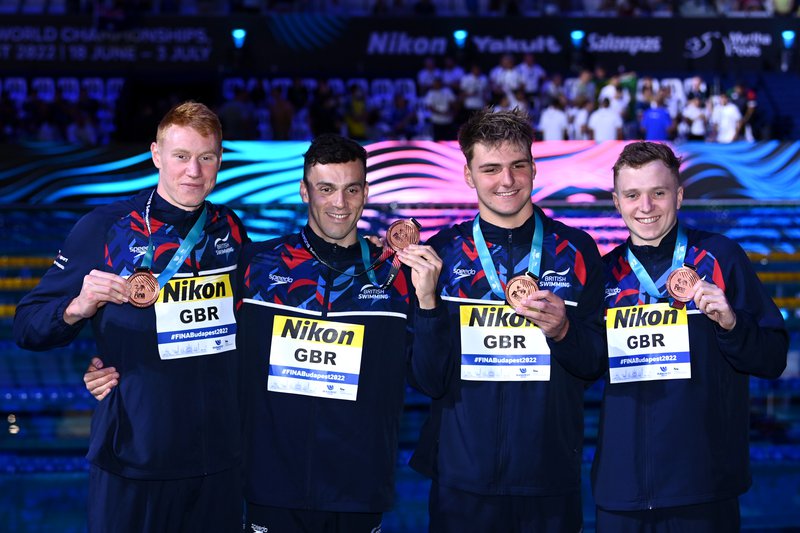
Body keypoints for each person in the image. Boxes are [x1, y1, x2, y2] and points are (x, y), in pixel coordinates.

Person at [87, 133, 450, 532]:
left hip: (358, 491)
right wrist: (114, 364)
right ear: (304, 191)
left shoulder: (395, 278)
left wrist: (429, 301)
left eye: (351, 189)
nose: (339, 204)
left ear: (366, 192)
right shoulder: (257, 266)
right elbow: (192, 330)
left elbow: (431, 379)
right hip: (270, 490)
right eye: (326, 189)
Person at [14, 101, 248, 532]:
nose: (193, 171)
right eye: (181, 156)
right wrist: (77, 308)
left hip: (218, 464)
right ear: (156, 155)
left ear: (220, 159)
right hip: (133, 461)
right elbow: (27, 326)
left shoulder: (230, 228)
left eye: (206, 157)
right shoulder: (107, 227)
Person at [409, 107, 606, 532]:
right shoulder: (442, 253)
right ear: (468, 175)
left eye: (518, 166)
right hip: (462, 480)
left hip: (548, 477)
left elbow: (594, 364)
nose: (507, 180)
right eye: (491, 168)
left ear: (534, 168)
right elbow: (427, 380)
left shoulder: (576, 250)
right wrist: (426, 305)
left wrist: (564, 331)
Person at [593, 141, 788, 532]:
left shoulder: (721, 257)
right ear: (617, 202)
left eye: (658, 193)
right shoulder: (604, 274)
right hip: (621, 489)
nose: (645, 207)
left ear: (678, 196)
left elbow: (773, 358)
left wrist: (732, 324)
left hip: (703, 485)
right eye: (632, 195)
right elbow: (583, 364)